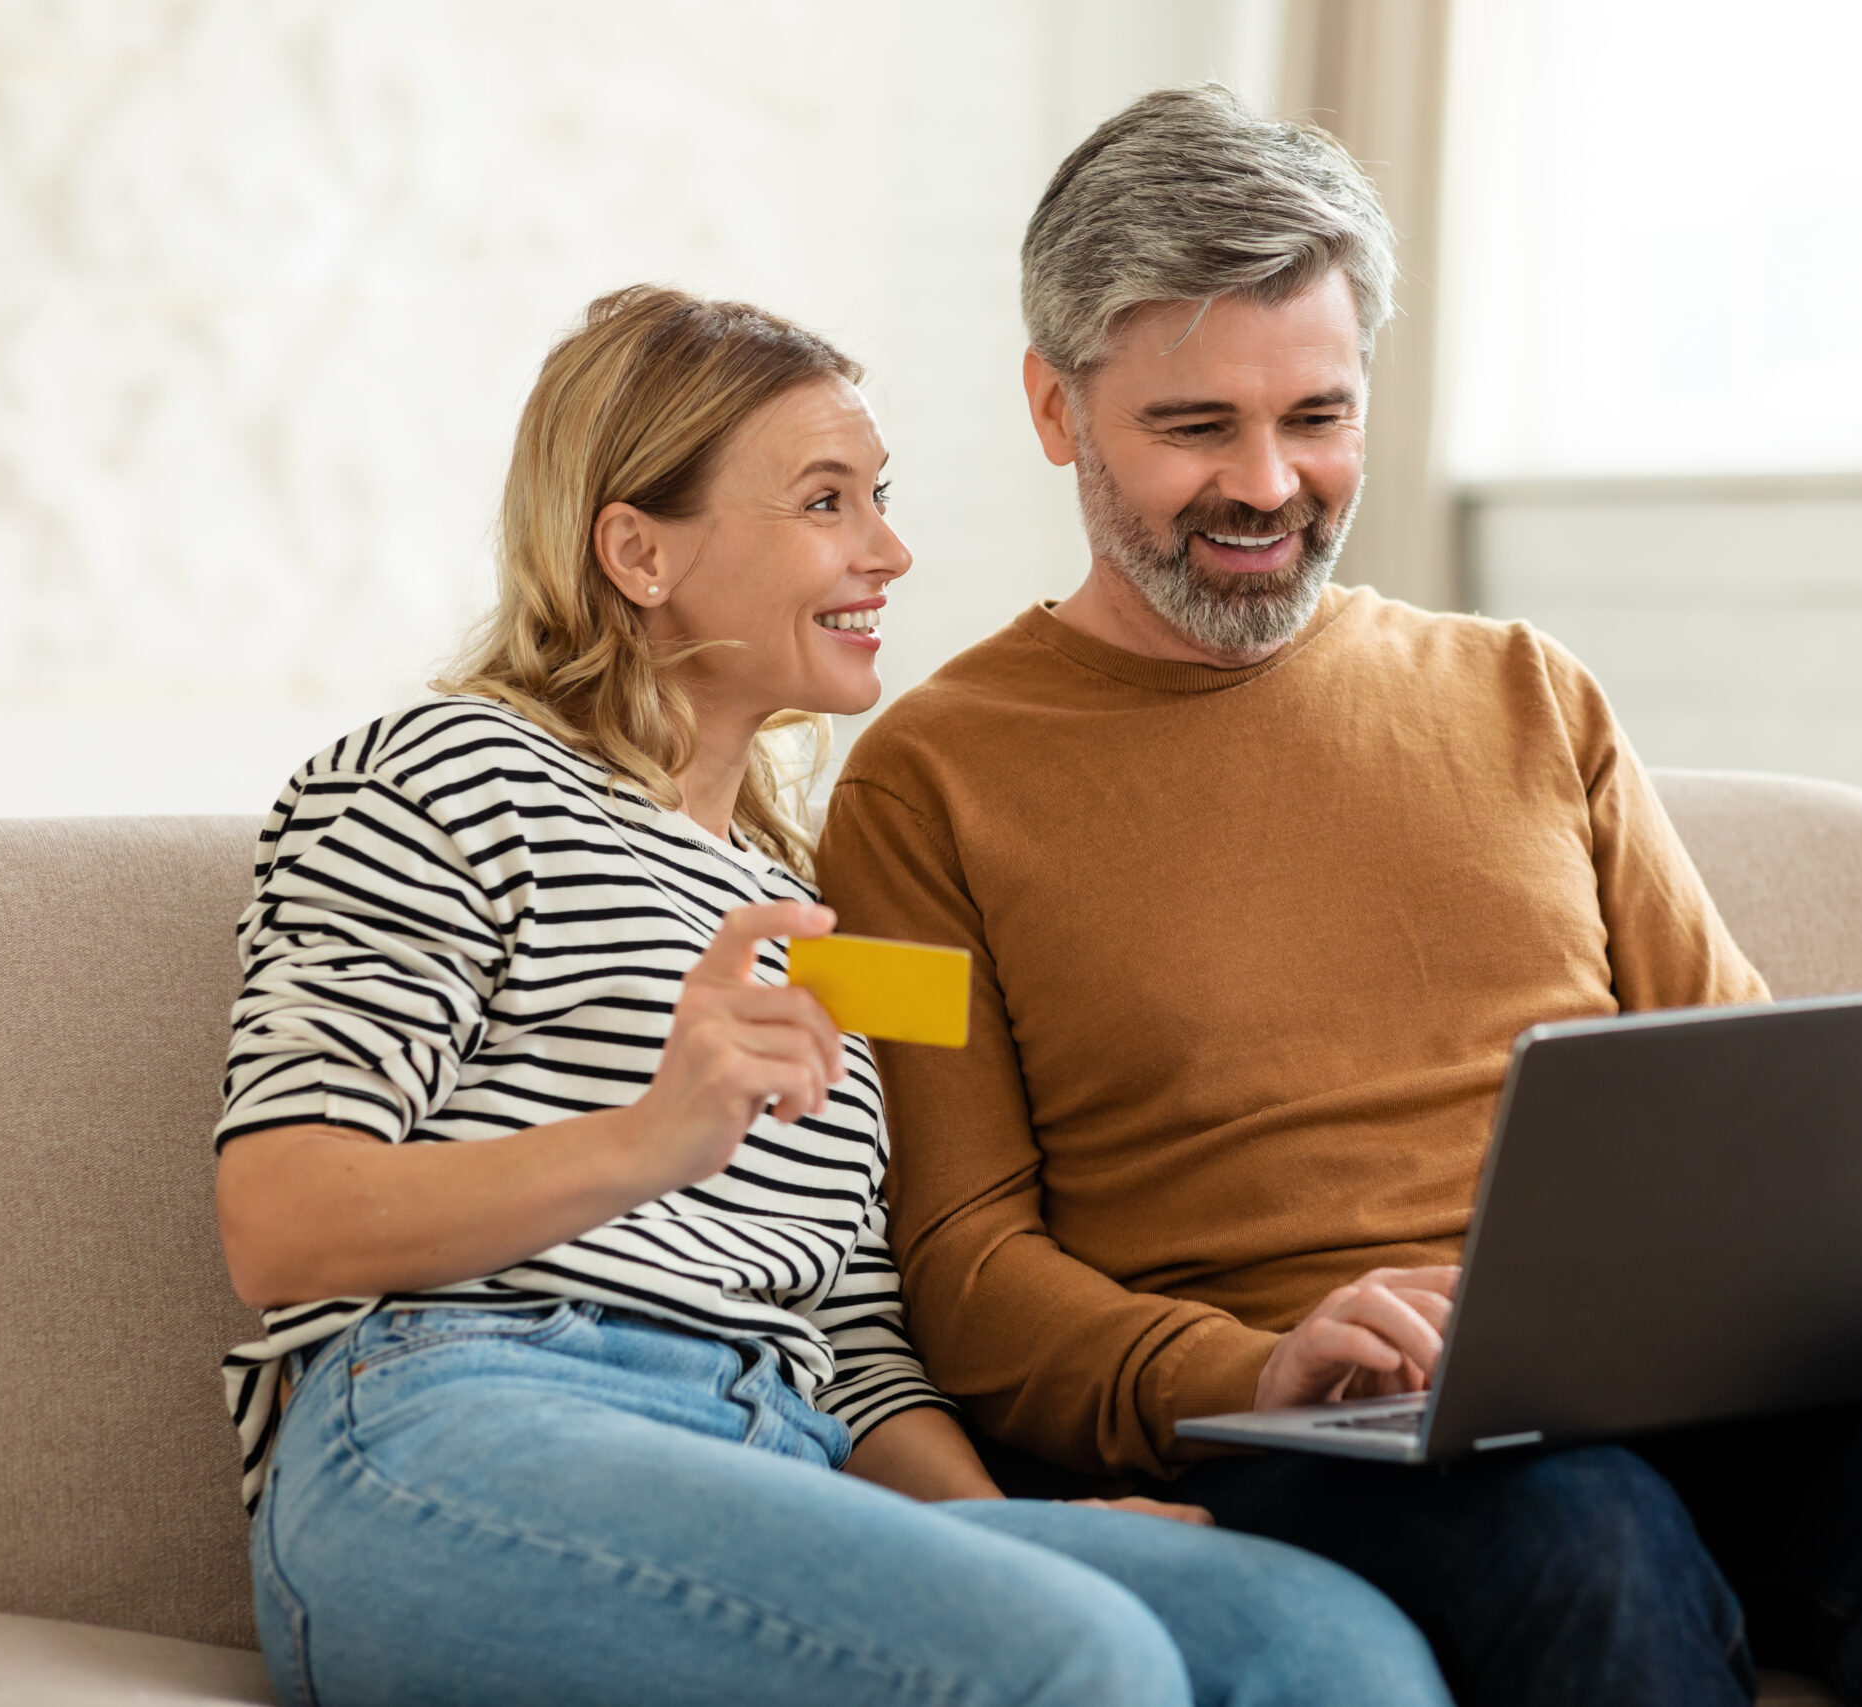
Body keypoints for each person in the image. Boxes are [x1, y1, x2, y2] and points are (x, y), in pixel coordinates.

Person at [816, 86, 1862, 1707]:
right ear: (1057, 408)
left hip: (1640, 1381)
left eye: (1317, 415)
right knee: (1579, 1531)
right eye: (1196, 429)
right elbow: (955, 1259)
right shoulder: (924, 779)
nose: (1267, 485)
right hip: (1288, 1424)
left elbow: (1734, 1085)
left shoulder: (1524, 691)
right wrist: (1263, 1362)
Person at [208, 284, 1451, 1707]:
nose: (890, 550)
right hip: (460, 1418)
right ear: (638, 549)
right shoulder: (435, 774)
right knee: (1074, 1658)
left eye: (879, 497)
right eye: (824, 503)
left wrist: (990, 1530)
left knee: (1331, 1648)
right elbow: (280, 1222)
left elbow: (853, 1329)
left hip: (777, 1448)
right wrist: (648, 1140)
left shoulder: (812, 901)